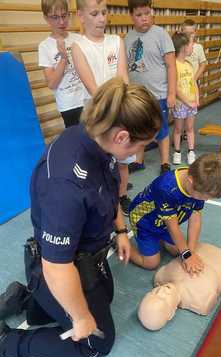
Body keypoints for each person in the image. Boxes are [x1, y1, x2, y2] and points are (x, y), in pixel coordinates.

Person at [0, 77, 162, 357]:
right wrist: (81, 317)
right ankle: (8, 341)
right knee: (96, 342)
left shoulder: (99, 140)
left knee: (106, 298)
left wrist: (121, 230)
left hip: (87, 256)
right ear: (122, 136)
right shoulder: (66, 185)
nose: (138, 154)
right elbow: (56, 266)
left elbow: (111, 193)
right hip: (55, 267)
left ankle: (26, 301)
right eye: (140, 146)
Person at [72, 0, 132, 216]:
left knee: (122, 162)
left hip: (120, 114)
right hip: (98, 117)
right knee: (99, 165)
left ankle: (122, 196)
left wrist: (124, 112)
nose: (101, 18)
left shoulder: (116, 41)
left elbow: (123, 78)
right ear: (81, 15)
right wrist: (111, 114)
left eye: (104, 13)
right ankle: (101, 205)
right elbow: (94, 90)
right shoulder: (78, 47)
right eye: (94, 13)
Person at [128, 153, 221, 273]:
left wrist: (191, 252)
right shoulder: (166, 188)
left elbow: (195, 218)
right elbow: (173, 227)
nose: (205, 200)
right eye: (204, 196)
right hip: (144, 221)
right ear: (190, 181)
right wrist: (186, 255)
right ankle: (121, 244)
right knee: (151, 263)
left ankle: (162, 240)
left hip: (164, 222)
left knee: (178, 250)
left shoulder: (200, 182)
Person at [125, 0, 176, 175]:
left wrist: (171, 93)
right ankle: (139, 161)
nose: (144, 18)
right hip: (138, 96)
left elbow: (171, 66)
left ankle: (164, 163)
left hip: (159, 94)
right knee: (138, 129)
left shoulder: (161, 34)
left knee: (161, 129)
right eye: (139, 15)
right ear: (131, 16)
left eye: (147, 13)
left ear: (152, 12)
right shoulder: (128, 37)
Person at [138, 243, 221, 331]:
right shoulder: (201, 302)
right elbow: (218, 287)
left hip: (195, 248)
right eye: (163, 299)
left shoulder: (161, 277)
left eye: (153, 293)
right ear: (171, 314)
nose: (161, 291)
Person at [38, 0, 85, 128]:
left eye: (64, 15)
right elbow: (52, 83)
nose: (61, 22)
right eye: (55, 17)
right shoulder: (45, 47)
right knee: (77, 142)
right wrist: (63, 59)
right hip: (69, 105)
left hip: (87, 99)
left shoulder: (78, 39)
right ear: (46, 18)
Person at [171, 32, 199, 166]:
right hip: (181, 104)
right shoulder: (175, 65)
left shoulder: (189, 64)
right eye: (190, 44)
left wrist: (197, 98)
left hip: (191, 103)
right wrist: (186, 102)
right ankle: (177, 152)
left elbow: (193, 83)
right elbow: (175, 87)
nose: (192, 47)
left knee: (190, 128)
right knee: (178, 129)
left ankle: (191, 151)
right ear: (183, 47)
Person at [181, 19, 207, 85]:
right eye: (186, 33)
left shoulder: (199, 47)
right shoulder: (179, 47)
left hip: (194, 81)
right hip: (182, 82)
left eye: (191, 33)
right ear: (182, 32)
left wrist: (195, 79)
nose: (188, 36)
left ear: (195, 32)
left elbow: (203, 64)